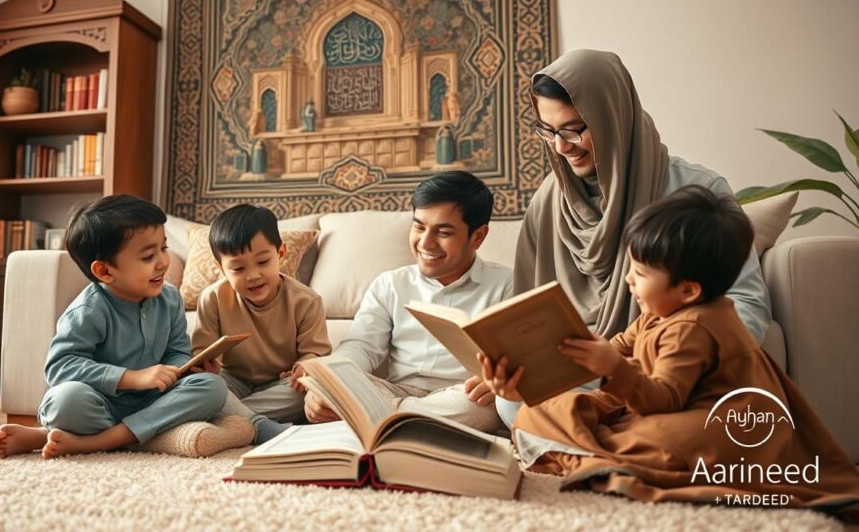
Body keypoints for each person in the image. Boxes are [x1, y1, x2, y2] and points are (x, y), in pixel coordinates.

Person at [480, 186, 859, 519]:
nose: (628, 280)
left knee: (661, 443)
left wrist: (613, 367)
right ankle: (593, 455)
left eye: (641, 274)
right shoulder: (656, 314)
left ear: (689, 290)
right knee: (538, 411)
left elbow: (662, 400)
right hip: (664, 410)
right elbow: (610, 351)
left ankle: (604, 464)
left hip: (719, 426)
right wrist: (531, 369)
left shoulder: (692, 327)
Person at [498, 49, 772, 425]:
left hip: (666, 369)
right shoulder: (548, 202)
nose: (561, 147)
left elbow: (748, 305)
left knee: (670, 415)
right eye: (549, 131)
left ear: (612, 116)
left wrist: (661, 357)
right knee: (510, 403)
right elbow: (526, 320)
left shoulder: (695, 191)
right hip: (577, 375)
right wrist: (510, 369)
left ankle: (599, 447)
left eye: (575, 128)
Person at [0, 195, 239, 459]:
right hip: (101, 404)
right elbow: (60, 367)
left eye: (164, 248)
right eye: (148, 256)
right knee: (65, 402)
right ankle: (136, 436)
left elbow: (176, 351)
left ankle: (95, 440)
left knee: (212, 387)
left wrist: (184, 369)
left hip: (154, 400)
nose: (163, 262)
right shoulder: (89, 310)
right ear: (105, 272)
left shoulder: (170, 298)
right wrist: (131, 378)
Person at [303, 171, 512, 432]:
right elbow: (361, 347)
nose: (426, 243)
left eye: (443, 232)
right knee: (335, 386)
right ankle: (402, 420)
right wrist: (330, 381)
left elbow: (520, 358)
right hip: (394, 390)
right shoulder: (390, 284)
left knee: (480, 407)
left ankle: (377, 418)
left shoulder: (507, 284)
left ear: (478, 236)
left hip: (461, 397)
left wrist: (496, 382)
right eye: (419, 227)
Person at [192, 204, 331, 442]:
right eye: (238, 268)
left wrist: (306, 365)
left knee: (308, 390)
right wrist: (207, 367)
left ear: (280, 253)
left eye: (263, 262)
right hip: (233, 380)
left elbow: (316, 353)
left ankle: (225, 419)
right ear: (221, 268)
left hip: (282, 383)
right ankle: (250, 423)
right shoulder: (212, 298)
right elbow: (201, 354)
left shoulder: (306, 300)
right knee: (201, 386)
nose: (253, 275)